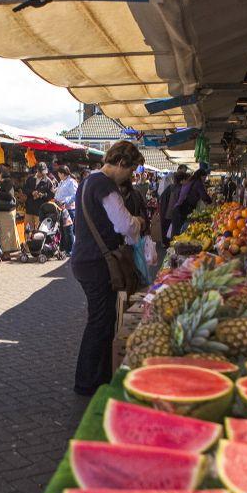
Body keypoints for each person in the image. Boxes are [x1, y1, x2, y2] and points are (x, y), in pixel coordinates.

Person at [70, 140, 145, 395]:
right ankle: (87, 382)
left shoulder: (87, 181)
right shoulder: (104, 185)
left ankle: (97, 376)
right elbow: (124, 225)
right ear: (122, 163)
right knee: (100, 322)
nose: (130, 176)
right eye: (131, 170)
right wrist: (138, 221)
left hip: (84, 260)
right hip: (96, 264)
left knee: (101, 319)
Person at [0, 179, 20, 258]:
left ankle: (6, 253)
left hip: (4, 212)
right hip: (6, 212)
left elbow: (8, 197)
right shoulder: (4, 187)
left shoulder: (4, 187)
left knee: (5, 233)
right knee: (8, 233)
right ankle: (9, 251)